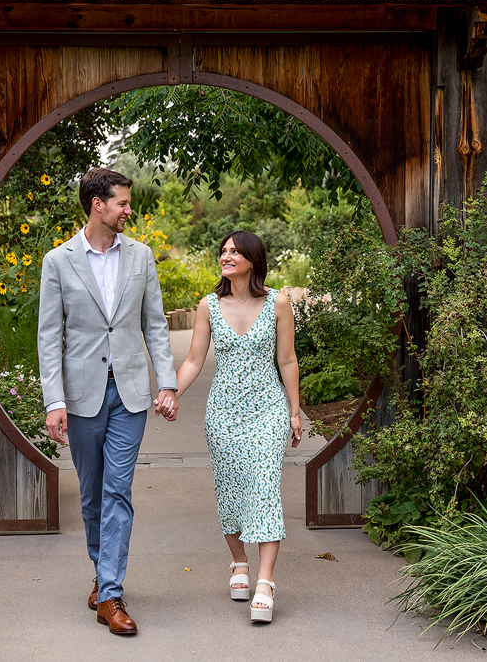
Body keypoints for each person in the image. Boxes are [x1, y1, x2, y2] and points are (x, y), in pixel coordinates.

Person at [38, 167, 179, 636]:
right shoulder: (58, 262)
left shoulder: (140, 256)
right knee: (93, 493)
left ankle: (111, 595)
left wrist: (168, 383)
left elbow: (155, 324)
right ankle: (103, 575)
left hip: (130, 393)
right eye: (121, 202)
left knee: (119, 490)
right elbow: (49, 337)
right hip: (81, 396)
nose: (128, 210)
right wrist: (53, 400)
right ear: (98, 204)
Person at [156, 230, 302, 623]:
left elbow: (287, 360)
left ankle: (265, 583)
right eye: (223, 251)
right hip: (223, 414)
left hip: (267, 410)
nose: (226, 256)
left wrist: (294, 410)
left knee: (264, 486)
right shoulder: (208, 305)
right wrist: (171, 392)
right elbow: (193, 360)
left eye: (235, 251)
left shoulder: (278, 303)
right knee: (232, 489)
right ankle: (239, 563)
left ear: (253, 259)